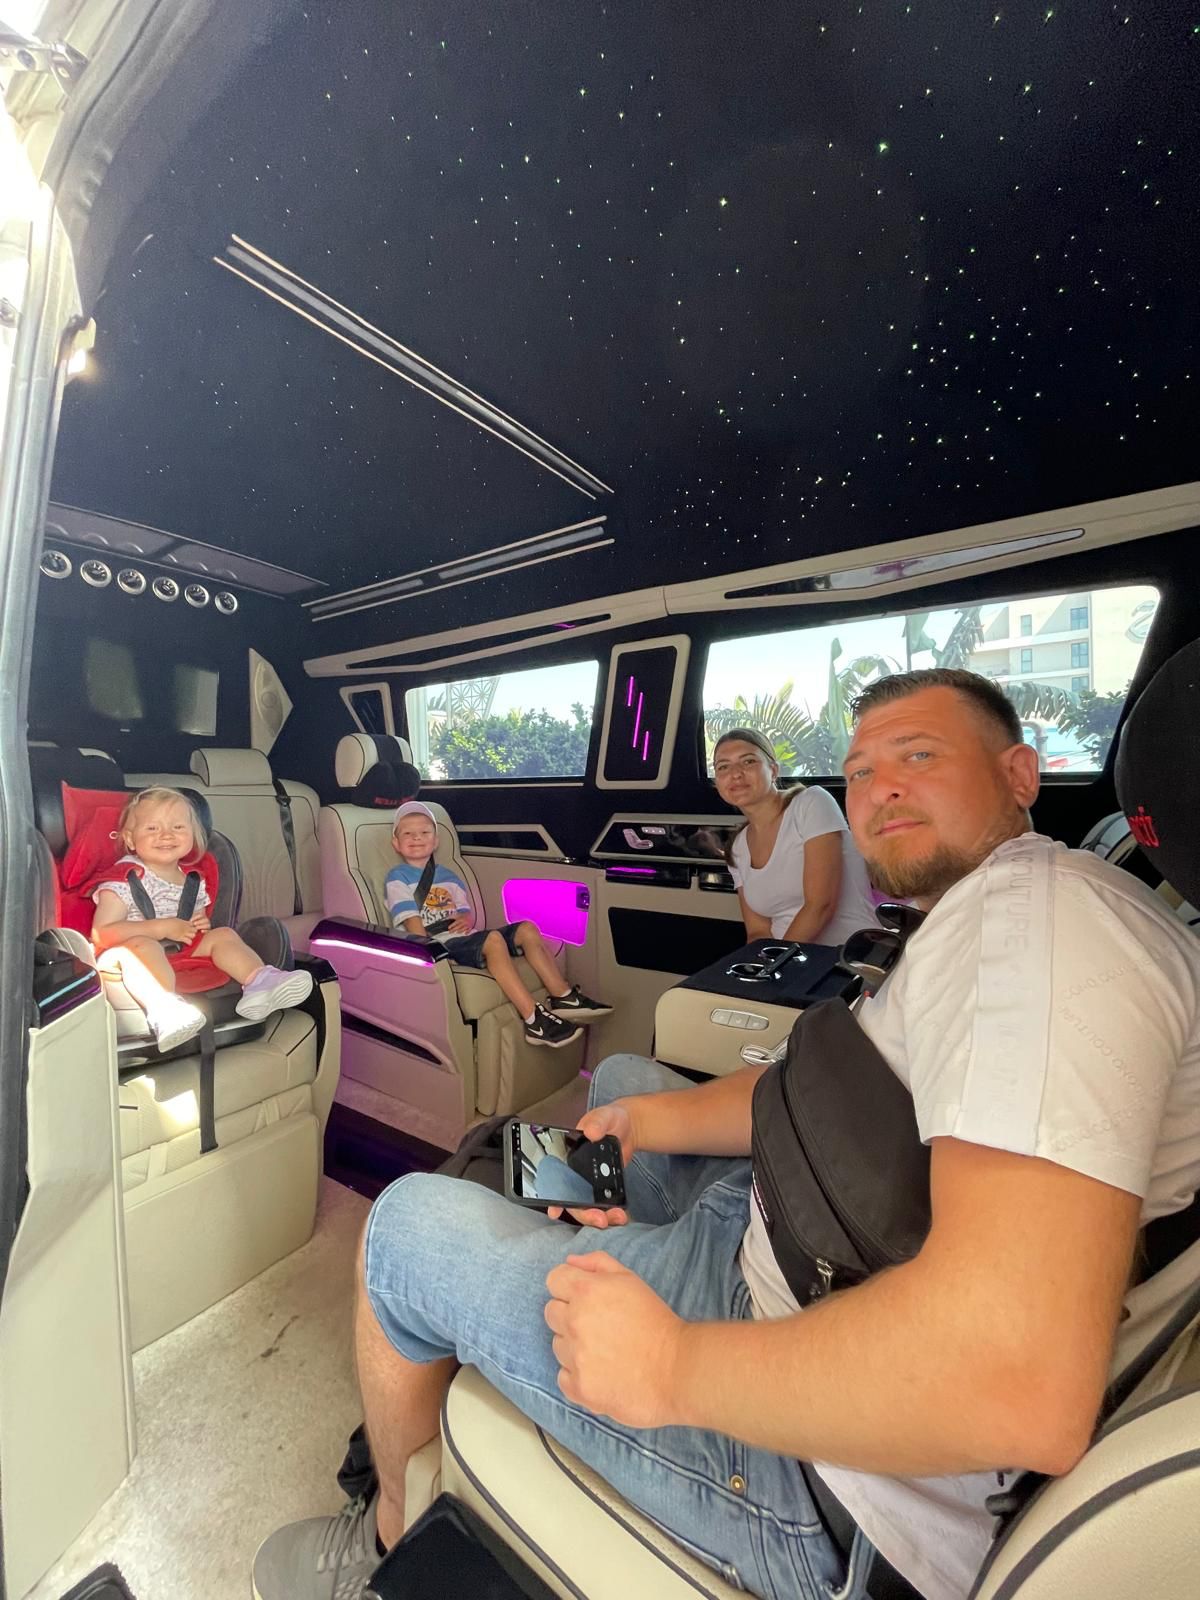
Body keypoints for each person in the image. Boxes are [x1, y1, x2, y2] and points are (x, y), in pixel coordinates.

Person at [253, 669, 1200, 1600]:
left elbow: (1013, 1377)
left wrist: (671, 1366)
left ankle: (382, 1536)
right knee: (623, 1081)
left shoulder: (1038, 926)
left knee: (404, 1226)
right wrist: (643, 1118)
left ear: (1021, 774)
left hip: (830, 1469)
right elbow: (824, 1085)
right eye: (861, 771)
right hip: (810, 1236)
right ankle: (571, 1236)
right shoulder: (995, 908)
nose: (879, 789)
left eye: (918, 756)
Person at [91, 787, 313, 1052]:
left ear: (193, 835)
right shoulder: (123, 881)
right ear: (130, 838)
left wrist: (199, 924)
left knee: (224, 935)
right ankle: (165, 1008)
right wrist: (161, 928)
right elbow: (102, 933)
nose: (166, 835)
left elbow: (195, 922)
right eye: (152, 828)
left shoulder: (193, 880)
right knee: (144, 947)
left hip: (180, 951)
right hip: (126, 956)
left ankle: (260, 982)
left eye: (178, 827)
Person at [384, 800, 611, 1050]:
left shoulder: (449, 876)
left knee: (527, 928)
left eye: (424, 832)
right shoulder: (397, 877)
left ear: (436, 841)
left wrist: (465, 920)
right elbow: (411, 919)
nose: (417, 838)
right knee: (493, 940)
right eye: (408, 834)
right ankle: (533, 1020)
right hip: (439, 944)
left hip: (463, 937)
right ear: (396, 843)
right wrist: (432, 957)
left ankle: (563, 997)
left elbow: (464, 912)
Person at [712, 726, 879, 946]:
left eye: (748, 761)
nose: (735, 774)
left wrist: (779, 962)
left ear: (773, 770)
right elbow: (758, 931)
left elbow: (820, 906)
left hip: (848, 954)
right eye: (723, 767)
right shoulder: (738, 847)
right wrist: (759, 964)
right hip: (787, 959)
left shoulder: (811, 803)